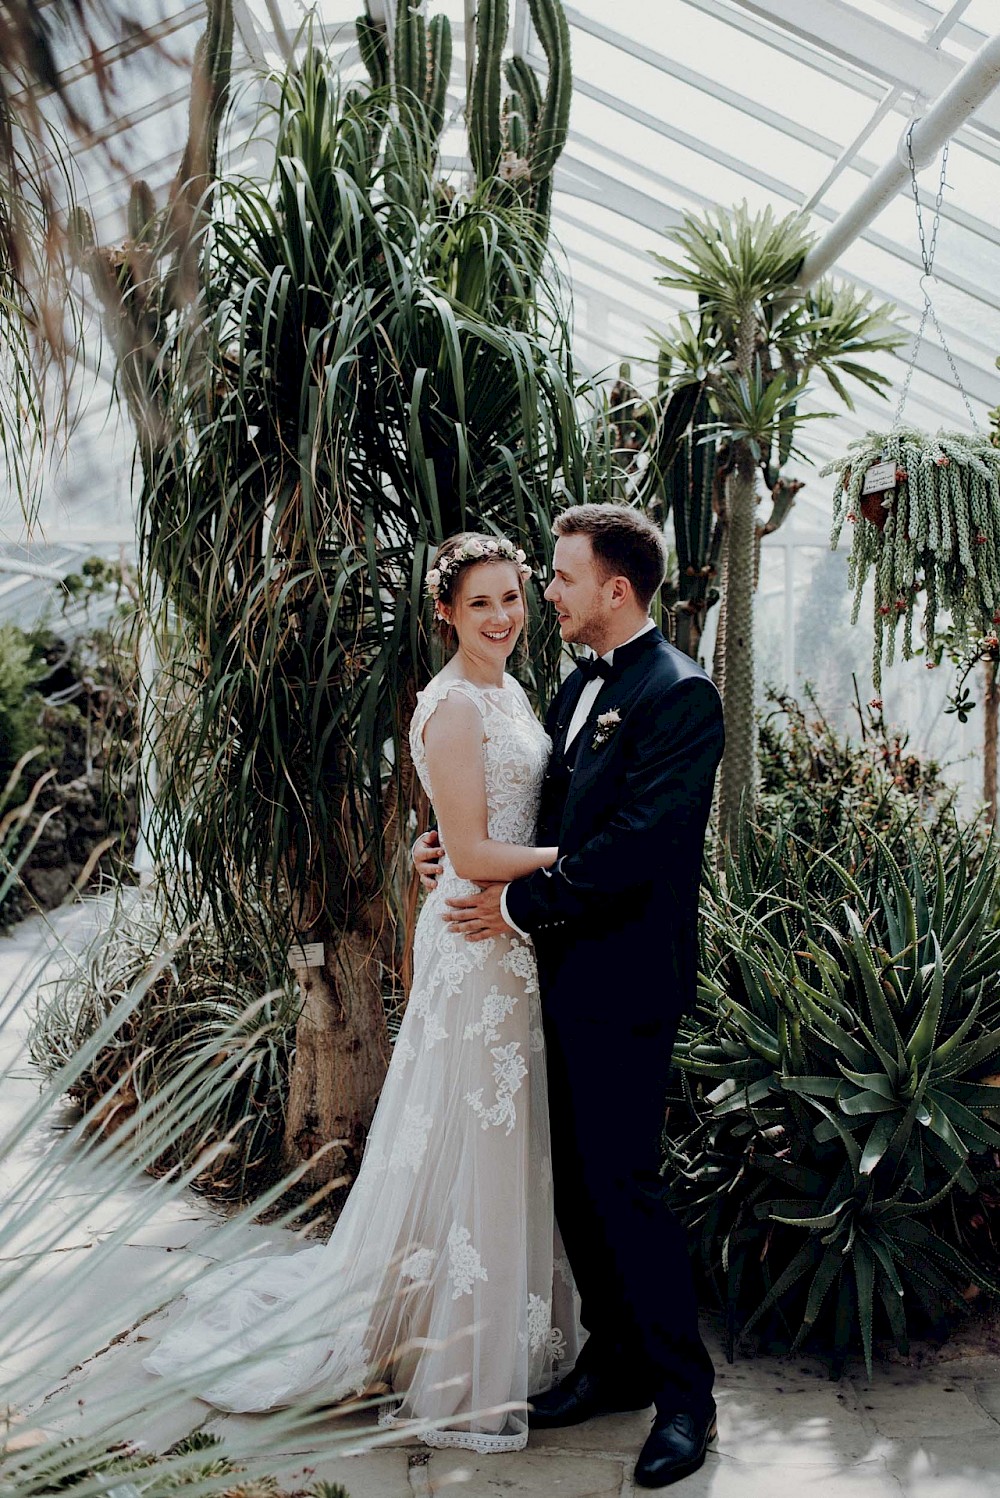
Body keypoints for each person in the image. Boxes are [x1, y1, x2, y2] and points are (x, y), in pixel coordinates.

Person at [143, 532, 582, 1452]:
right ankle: (448, 1349)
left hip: (510, 931)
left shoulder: (511, 690)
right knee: (472, 1129)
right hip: (479, 935)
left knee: (499, 1135)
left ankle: (493, 1320)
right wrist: (586, 863)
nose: (503, 617)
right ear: (443, 616)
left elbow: (471, 826)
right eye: (480, 605)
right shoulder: (452, 705)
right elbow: (466, 852)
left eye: (512, 598)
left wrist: (506, 871)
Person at [414, 503, 724, 1488]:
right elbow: (530, 806)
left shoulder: (681, 696)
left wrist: (509, 905)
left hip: (627, 981)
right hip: (552, 974)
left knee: (626, 1189)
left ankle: (685, 1398)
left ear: (614, 590)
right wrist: (444, 852)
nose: (545, 593)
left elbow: (635, 847)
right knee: (580, 1191)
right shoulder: (574, 684)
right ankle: (614, 1358)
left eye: (557, 577)